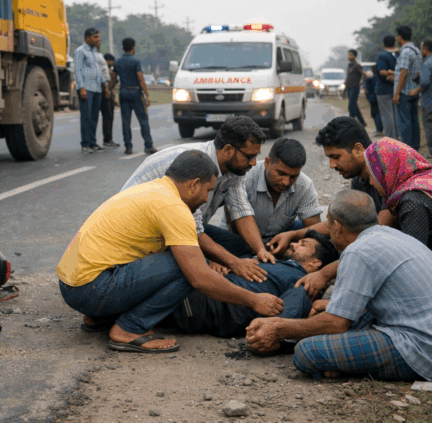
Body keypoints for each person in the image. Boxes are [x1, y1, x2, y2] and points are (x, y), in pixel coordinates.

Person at [57, 150, 285, 353]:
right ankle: (129, 329)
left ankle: (98, 318)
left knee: (173, 258)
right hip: (90, 289)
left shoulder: (153, 190)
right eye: (207, 190)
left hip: (72, 284)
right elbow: (200, 279)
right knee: (186, 267)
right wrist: (254, 300)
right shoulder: (174, 207)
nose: (206, 198)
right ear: (194, 184)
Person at [247, 190, 432, 382]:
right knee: (346, 325)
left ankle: (343, 366)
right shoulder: (391, 236)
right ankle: (343, 362)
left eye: (329, 225)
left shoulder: (357, 251)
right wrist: (332, 305)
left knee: (307, 351)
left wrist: (278, 327)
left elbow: (336, 325)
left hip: (430, 354)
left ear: (337, 227)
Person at [122, 116, 274, 284]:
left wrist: (260, 250)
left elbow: (241, 209)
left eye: (256, 156)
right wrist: (230, 262)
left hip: (185, 228)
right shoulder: (192, 164)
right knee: (196, 273)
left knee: (240, 246)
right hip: (146, 238)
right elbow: (193, 230)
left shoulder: (234, 168)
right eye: (249, 156)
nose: (253, 163)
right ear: (229, 150)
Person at [266, 117, 396, 298]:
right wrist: (294, 235)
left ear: (358, 149)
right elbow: (340, 222)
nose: (332, 165)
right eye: (329, 158)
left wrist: (324, 274)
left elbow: (374, 239)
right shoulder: (359, 178)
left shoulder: (388, 176)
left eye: (336, 157)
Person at [172, 231, 339, 338]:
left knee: (171, 261)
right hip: (208, 288)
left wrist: (271, 333)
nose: (294, 244)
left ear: (315, 263)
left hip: (212, 306)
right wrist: (221, 263)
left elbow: (294, 305)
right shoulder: (275, 262)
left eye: (303, 245)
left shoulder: (300, 282)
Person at [365, 138, 432, 302]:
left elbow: (412, 263)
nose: (370, 182)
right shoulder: (430, 178)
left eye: (372, 175)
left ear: (386, 172)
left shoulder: (413, 201)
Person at [228, 138, 322, 244]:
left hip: (280, 235)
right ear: (267, 162)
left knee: (311, 231)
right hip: (240, 237)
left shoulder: (304, 185)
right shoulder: (245, 178)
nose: (286, 182)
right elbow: (235, 223)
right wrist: (260, 250)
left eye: (293, 176)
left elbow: (314, 229)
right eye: (281, 173)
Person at [112, 38, 156, 155]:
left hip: (123, 92)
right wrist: (146, 95)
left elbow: (113, 78)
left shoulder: (118, 61)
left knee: (126, 121)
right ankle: (148, 145)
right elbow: (140, 78)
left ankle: (128, 147)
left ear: (123, 47)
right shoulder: (136, 61)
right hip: (136, 92)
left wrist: (110, 88)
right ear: (133, 47)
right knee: (143, 120)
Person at [73, 28, 106, 153]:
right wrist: (81, 87)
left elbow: (97, 70)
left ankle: (93, 142)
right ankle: (85, 144)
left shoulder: (94, 52)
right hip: (86, 88)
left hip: (96, 88)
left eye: (98, 37)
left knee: (94, 117)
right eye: (95, 37)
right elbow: (78, 70)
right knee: (86, 117)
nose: (98, 39)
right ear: (88, 38)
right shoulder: (80, 52)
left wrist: (104, 86)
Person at [392, 26, 422, 151]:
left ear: (400, 37)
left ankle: (406, 150)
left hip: (404, 92)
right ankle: (415, 148)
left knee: (404, 123)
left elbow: (403, 73)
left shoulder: (405, 52)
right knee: (414, 121)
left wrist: (397, 93)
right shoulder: (417, 51)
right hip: (414, 91)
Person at [376, 35, 398, 140]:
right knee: (394, 115)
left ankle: (390, 139)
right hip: (395, 89)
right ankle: (396, 137)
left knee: (387, 116)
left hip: (384, 90)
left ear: (383, 44)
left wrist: (390, 75)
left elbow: (381, 71)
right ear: (394, 44)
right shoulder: (397, 55)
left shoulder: (382, 56)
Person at [99, 52, 119, 148]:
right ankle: (107, 139)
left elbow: (114, 83)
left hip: (110, 94)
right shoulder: (104, 70)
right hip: (105, 94)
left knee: (110, 117)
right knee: (107, 116)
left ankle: (109, 138)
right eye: (111, 61)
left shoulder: (110, 70)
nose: (112, 63)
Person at [344, 49, 366, 126]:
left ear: (354, 56)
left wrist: (362, 82)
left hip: (354, 88)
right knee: (353, 106)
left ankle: (351, 123)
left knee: (351, 106)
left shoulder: (357, 66)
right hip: (349, 88)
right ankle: (362, 122)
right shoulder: (349, 66)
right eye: (349, 54)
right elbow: (347, 78)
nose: (349, 56)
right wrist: (344, 90)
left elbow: (364, 74)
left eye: (351, 55)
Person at [364, 63, 383, 137]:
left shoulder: (370, 77)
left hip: (373, 97)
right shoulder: (380, 76)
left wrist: (367, 96)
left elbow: (366, 89)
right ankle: (381, 129)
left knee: (375, 114)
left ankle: (379, 130)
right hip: (380, 96)